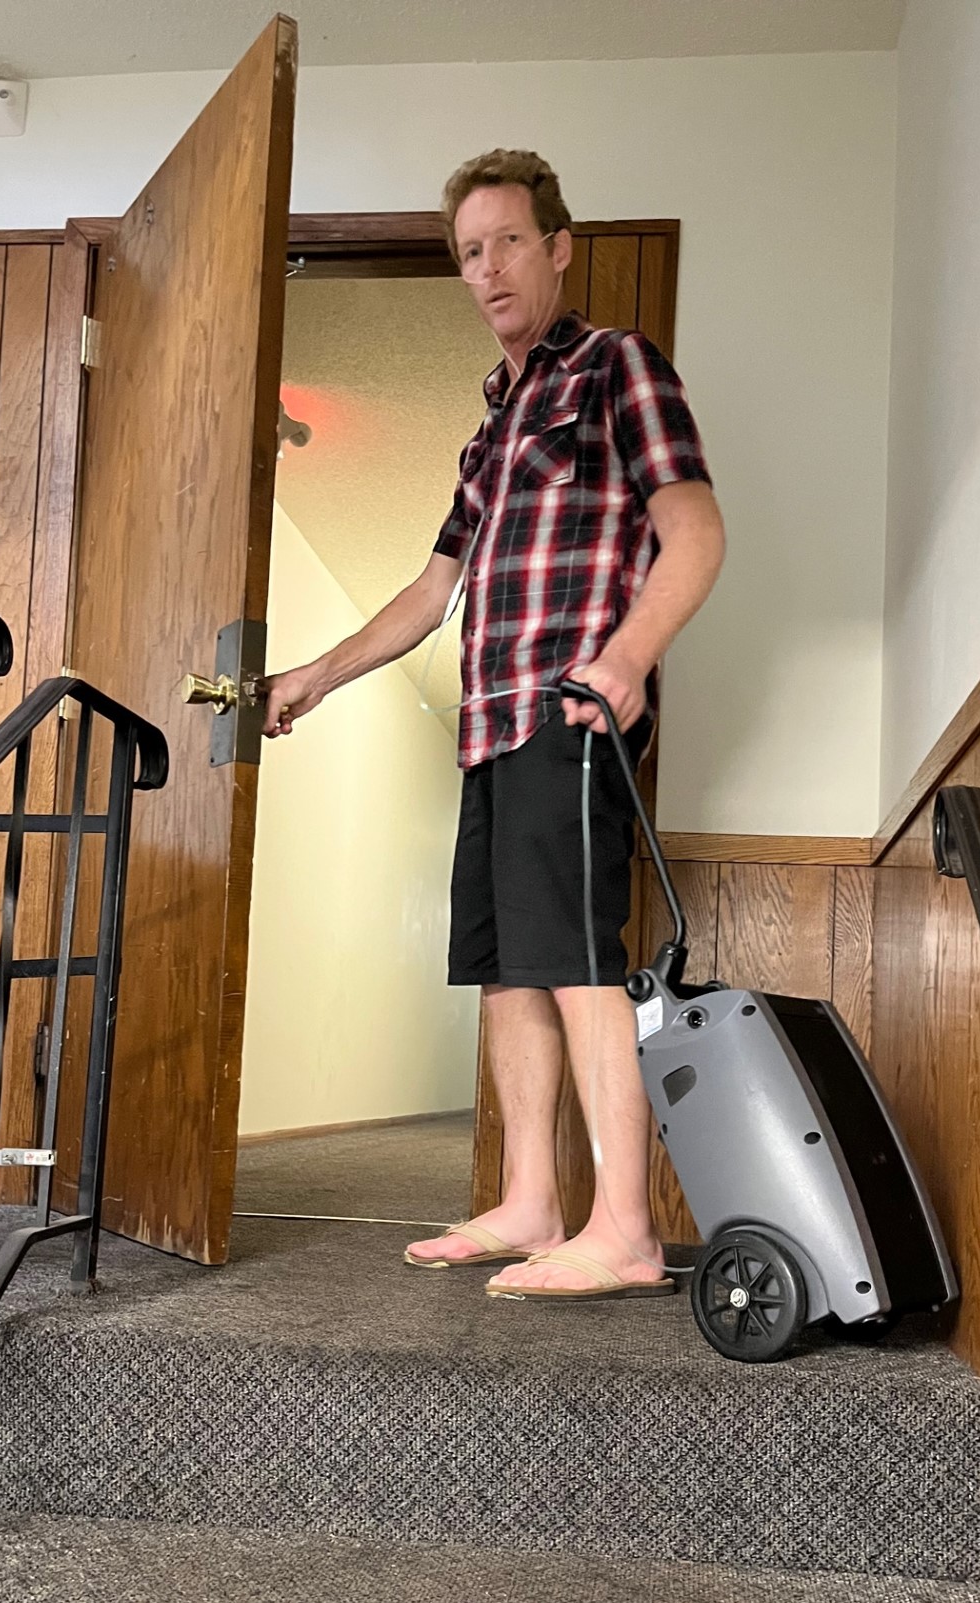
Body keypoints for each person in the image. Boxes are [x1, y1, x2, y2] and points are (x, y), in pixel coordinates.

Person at [261, 149, 725, 1299]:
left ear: (556, 248)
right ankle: (530, 1201)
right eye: (471, 252)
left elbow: (697, 530)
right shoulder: (491, 429)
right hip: (490, 727)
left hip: (571, 712)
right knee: (510, 972)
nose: (489, 268)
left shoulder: (615, 367)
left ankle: (626, 1230)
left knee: (575, 962)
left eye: (509, 241)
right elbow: (433, 594)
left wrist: (626, 659)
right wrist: (318, 675)